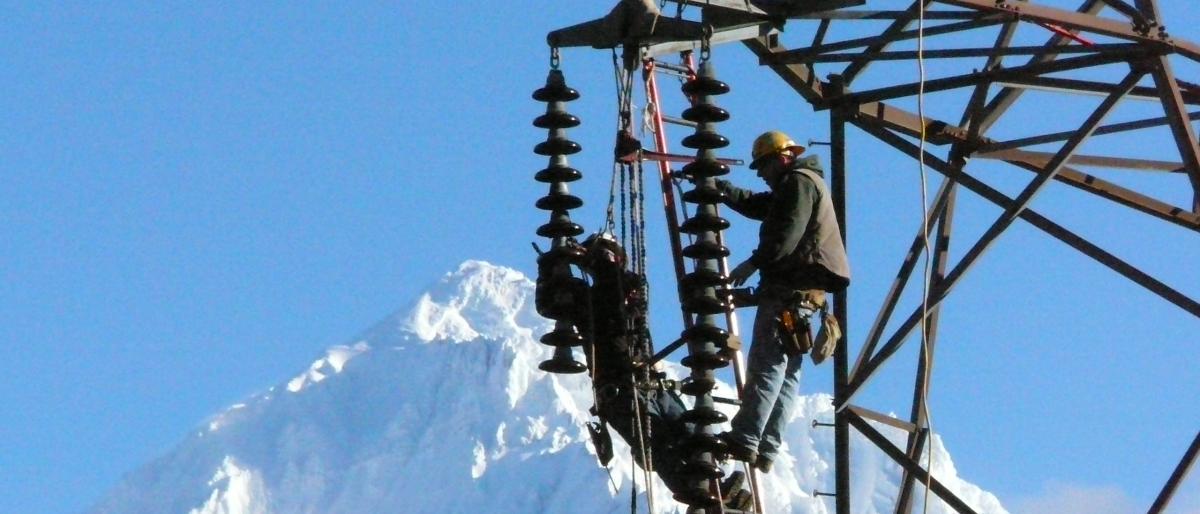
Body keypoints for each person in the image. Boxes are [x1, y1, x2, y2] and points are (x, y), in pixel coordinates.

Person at [573, 233, 751, 510]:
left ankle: (716, 488)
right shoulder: (589, 300)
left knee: (692, 431)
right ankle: (702, 497)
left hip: (651, 385)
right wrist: (557, 261)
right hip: (620, 390)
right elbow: (558, 300)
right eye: (606, 256)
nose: (611, 261)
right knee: (659, 445)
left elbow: (624, 285)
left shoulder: (628, 291)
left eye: (612, 256)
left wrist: (589, 258)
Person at [715, 130, 851, 473]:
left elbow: (784, 234)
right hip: (807, 296)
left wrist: (754, 263)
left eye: (763, 165)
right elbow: (759, 205)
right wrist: (722, 188)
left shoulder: (798, 184)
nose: (760, 173)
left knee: (768, 364)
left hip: (789, 292)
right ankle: (766, 447)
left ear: (782, 158)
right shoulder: (799, 186)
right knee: (787, 371)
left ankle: (746, 438)